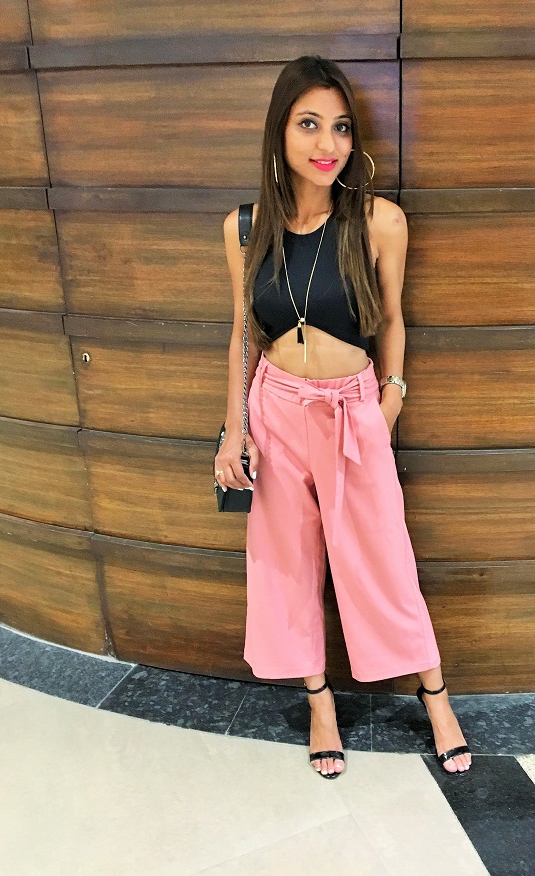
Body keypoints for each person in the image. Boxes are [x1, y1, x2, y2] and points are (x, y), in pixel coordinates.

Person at [215, 56, 471, 779]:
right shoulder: (244, 228)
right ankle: (320, 702)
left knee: (382, 560)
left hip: (353, 412)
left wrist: (390, 400)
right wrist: (234, 430)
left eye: (341, 127)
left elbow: (393, 320)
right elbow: (242, 333)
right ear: (280, 131)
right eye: (308, 124)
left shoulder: (379, 221)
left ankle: (435, 696)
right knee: (287, 566)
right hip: (274, 409)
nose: (327, 144)